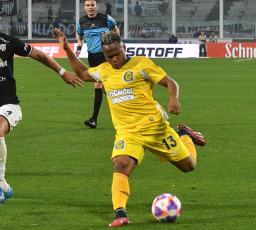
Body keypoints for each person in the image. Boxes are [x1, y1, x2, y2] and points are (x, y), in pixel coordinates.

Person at [54, 29, 206, 227]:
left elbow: (169, 82)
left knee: (188, 166)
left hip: (155, 129)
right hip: (127, 132)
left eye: (117, 54)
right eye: (109, 56)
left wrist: (173, 98)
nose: (114, 59)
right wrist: (67, 49)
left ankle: (185, 134)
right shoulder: (104, 70)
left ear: (123, 48)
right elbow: (82, 72)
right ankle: (120, 213)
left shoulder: (141, 64)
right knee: (120, 165)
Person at [0, 2, 83, 206]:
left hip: (9, 105)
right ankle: (3, 186)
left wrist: (62, 72)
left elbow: (38, 54)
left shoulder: (8, 42)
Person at [76, 0, 120, 129]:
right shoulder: (81, 22)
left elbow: (115, 30)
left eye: (92, 5)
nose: (90, 8)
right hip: (92, 56)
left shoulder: (106, 19)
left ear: (96, 7)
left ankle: (93, 119)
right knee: (106, 88)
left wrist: (117, 44)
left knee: (98, 84)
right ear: (85, 8)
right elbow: (80, 37)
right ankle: (127, 101)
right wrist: (79, 48)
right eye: (88, 5)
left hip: (105, 55)